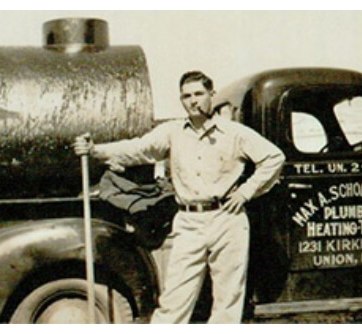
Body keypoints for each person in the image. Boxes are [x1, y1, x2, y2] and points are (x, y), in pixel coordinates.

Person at [73, 71, 285, 323]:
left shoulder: (235, 133)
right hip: (188, 222)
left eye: (199, 94)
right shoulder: (172, 132)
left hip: (228, 219)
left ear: (211, 95)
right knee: (175, 297)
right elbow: (138, 149)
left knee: (228, 299)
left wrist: (246, 192)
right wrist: (96, 150)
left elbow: (274, 157)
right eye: (186, 96)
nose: (193, 100)